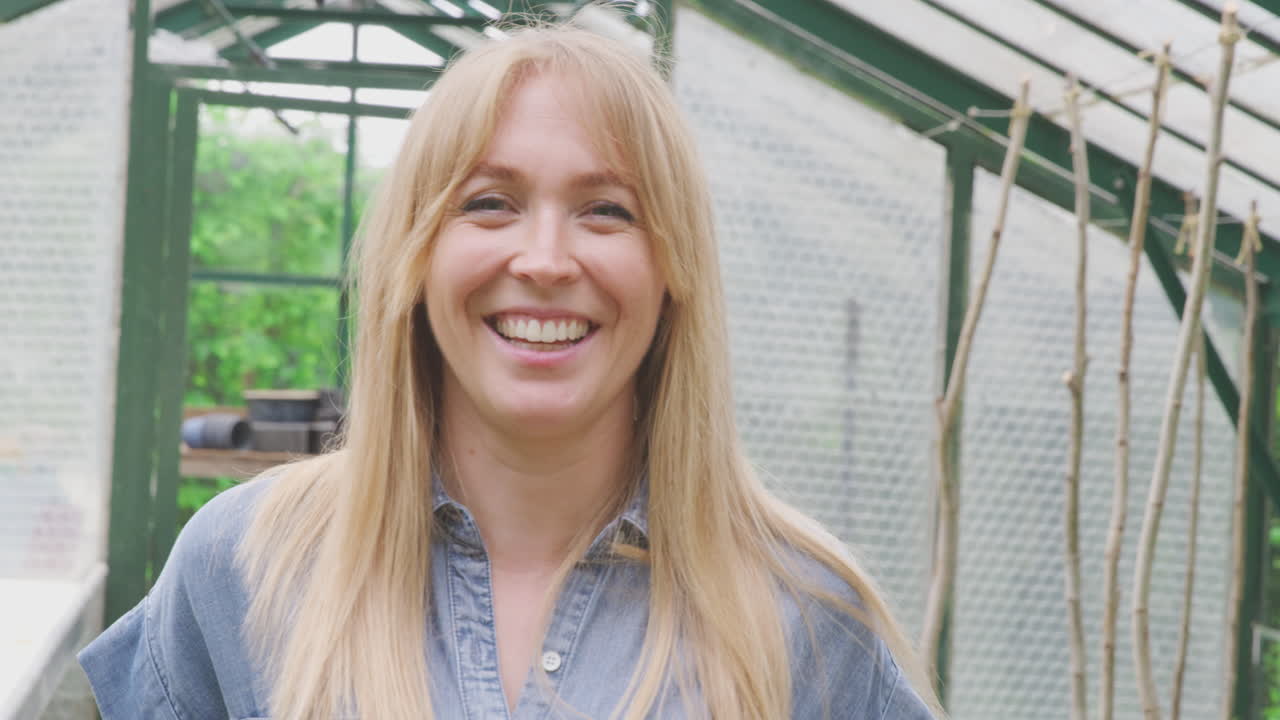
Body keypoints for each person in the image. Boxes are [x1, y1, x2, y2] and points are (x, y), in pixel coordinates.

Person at [79, 17, 941, 720]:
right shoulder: (244, 567)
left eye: (607, 211)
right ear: (414, 256)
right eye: (489, 203)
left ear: (674, 271)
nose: (544, 259)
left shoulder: (810, 616)